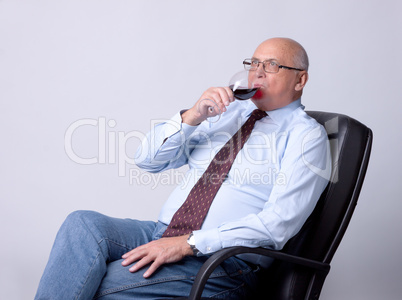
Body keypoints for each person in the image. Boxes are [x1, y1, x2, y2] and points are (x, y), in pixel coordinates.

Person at [35, 37, 331, 299]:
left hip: (224, 262)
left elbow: (276, 224)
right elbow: (147, 160)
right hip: (161, 232)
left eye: (272, 65)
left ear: (300, 80)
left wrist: (188, 243)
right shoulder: (229, 113)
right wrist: (192, 116)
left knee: (102, 281)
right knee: (82, 224)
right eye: (253, 63)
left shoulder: (306, 137)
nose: (258, 72)